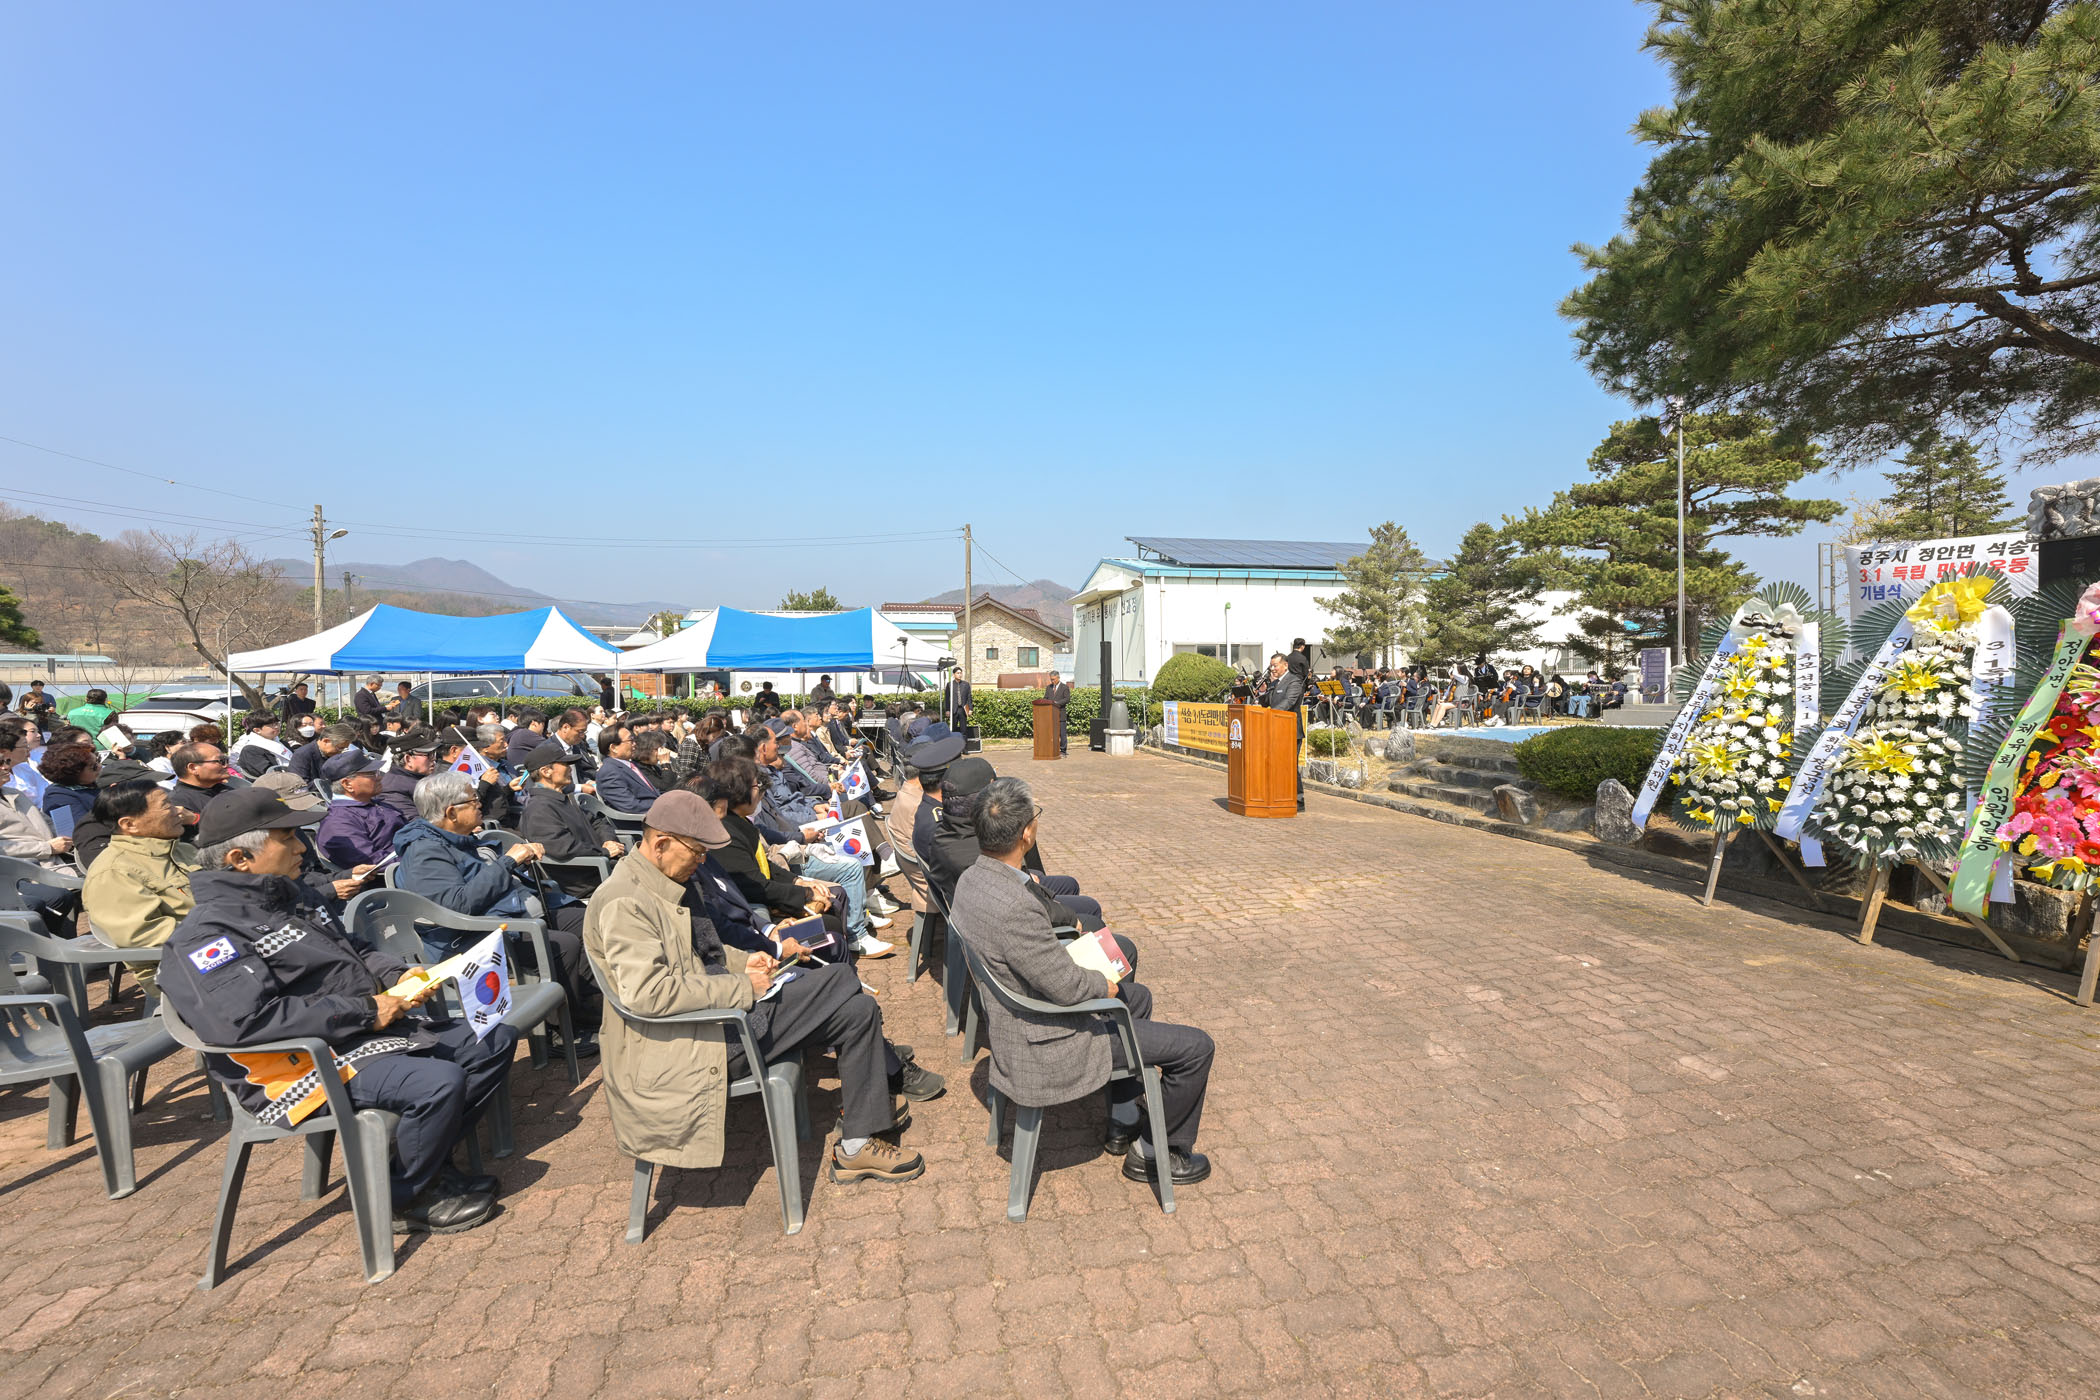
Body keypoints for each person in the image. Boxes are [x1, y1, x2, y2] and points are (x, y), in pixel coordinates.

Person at [160, 787, 514, 1235]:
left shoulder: (294, 897)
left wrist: (397, 974)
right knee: (438, 1082)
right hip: (295, 1065)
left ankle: (424, 1164)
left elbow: (356, 950)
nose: (301, 847)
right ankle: (404, 1197)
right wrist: (365, 1011)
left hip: (359, 1035)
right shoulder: (207, 936)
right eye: (287, 838)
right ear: (239, 859)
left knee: (493, 1039)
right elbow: (247, 1022)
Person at [585, 790, 928, 1189]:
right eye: (697, 852)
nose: (701, 862)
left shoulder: (666, 879)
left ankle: (856, 1139)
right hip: (692, 1042)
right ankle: (873, 1095)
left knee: (858, 1011)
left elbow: (701, 951)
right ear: (661, 843)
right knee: (840, 979)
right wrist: (741, 986)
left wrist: (743, 962)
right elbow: (648, 995)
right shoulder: (625, 902)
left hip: (714, 1020)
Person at [953, 777, 1214, 1185]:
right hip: (1047, 1042)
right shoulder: (1016, 906)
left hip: (1016, 1018)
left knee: (1138, 998)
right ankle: (1152, 1153)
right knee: (1196, 1048)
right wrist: (1102, 984)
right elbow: (1069, 989)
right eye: (1035, 817)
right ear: (1026, 834)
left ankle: (1122, 1119)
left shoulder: (972, 879)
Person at [392, 770, 597, 1050]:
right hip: (469, 937)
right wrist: (508, 863)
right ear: (451, 812)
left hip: (506, 913)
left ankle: (590, 1004)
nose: (480, 804)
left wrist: (516, 862)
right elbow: (458, 905)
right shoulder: (425, 852)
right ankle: (560, 1030)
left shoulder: (456, 836)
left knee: (583, 920)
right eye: (473, 800)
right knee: (563, 945)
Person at [699, 757, 894, 957]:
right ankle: (850, 943)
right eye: (756, 786)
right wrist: (805, 894)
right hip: (756, 909)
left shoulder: (740, 822)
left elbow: (764, 865)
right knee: (831, 925)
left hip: (773, 878)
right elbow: (755, 885)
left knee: (835, 903)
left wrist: (797, 881)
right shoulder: (726, 833)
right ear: (739, 791)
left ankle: (855, 932)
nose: (760, 791)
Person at [80, 781, 198, 996]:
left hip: (217, 942)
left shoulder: (182, 850)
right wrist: (223, 929)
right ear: (130, 824)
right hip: (180, 966)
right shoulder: (114, 872)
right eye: (166, 806)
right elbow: (143, 934)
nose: (178, 811)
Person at [517, 740, 624, 896]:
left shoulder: (562, 798)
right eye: (564, 764)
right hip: (584, 883)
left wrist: (608, 841)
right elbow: (565, 849)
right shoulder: (539, 809)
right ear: (546, 771)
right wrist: (604, 852)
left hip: (603, 869)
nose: (570, 768)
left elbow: (597, 822)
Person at [316, 748, 407, 870]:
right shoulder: (338, 822)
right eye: (372, 774)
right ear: (348, 784)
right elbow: (372, 862)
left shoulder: (374, 803)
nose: (379, 777)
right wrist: (420, 860)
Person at [1, 721, 73, 869]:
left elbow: (45, 801)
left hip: (53, 849)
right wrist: (47, 847)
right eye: (24, 746)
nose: (5, 767)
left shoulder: (16, 788)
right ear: (5, 751)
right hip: (25, 867)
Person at [1262, 652, 1308, 812]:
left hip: (1290, 731)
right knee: (1277, 765)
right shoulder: (1275, 682)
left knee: (1290, 766)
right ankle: (1280, 797)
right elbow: (1266, 702)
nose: (1272, 669)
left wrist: (1271, 713)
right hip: (1276, 730)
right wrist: (1263, 691)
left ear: (1285, 665)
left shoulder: (1294, 681)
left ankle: (1298, 801)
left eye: (1275, 666)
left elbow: (1289, 702)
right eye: (1271, 666)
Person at [37, 741, 99, 837]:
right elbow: (82, 831)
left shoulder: (96, 783)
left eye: (98, 761)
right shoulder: (57, 796)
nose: (100, 767)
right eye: (93, 767)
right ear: (73, 772)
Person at [165, 743, 234, 829]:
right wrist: (196, 819)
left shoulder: (224, 789)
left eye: (226, 760)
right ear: (193, 768)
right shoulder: (178, 803)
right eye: (221, 761)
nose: (226, 765)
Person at [377, 728, 439, 820]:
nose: (433, 759)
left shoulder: (421, 777)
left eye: (433, 754)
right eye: (428, 755)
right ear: (408, 759)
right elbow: (413, 822)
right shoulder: (392, 789)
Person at [594, 724, 660, 811]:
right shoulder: (609, 772)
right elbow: (631, 806)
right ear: (613, 748)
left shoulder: (627, 765)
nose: (634, 744)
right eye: (630, 740)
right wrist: (663, 805)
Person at [230, 712, 293, 778]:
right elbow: (268, 772)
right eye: (271, 725)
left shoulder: (283, 743)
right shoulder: (250, 750)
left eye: (277, 723)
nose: (277, 727)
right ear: (257, 730)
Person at [1043, 675, 1071, 755]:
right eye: (1051, 679)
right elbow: (1045, 698)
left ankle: (1063, 751)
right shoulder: (1049, 687)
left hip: (1060, 713)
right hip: (1050, 714)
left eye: (1053, 679)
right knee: (1051, 733)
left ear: (1058, 678)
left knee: (1062, 733)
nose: (1052, 681)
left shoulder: (1064, 687)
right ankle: (1052, 749)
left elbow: (1067, 699)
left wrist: (1056, 703)